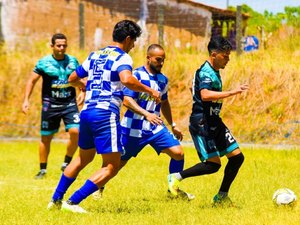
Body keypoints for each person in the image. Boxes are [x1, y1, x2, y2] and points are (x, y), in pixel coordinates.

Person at [47, 20, 160, 213]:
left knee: (83, 158)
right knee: (111, 166)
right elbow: (127, 79)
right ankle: (72, 202)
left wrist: (84, 86)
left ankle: (56, 200)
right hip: (105, 114)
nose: (133, 46)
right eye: (133, 42)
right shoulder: (123, 57)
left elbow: (72, 78)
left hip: (87, 113)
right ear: (127, 39)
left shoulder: (95, 55)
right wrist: (150, 90)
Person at [93, 44, 194, 200]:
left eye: (163, 60)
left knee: (178, 153)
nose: (161, 63)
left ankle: (173, 191)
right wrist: (146, 114)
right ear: (148, 58)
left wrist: (172, 125)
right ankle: (98, 187)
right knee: (116, 164)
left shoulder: (163, 79)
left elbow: (164, 102)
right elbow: (127, 100)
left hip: (154, 128)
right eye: (158, 59)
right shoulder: (136, 76)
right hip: (132, 129)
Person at [168, 36, 249, 206]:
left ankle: (221, 197)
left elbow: (194, 88)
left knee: (237, 158)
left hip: (214, 121)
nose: (228, 59)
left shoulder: (212, 71)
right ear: (214, 55)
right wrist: (232, 92)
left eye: (228, 55)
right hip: (202, 123)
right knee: (213, 165)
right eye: (225, 56)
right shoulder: (205, 71)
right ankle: (176, 177)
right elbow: (205, 95)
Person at [22, 33, 83, 179]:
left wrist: (83, 91)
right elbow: (32, 81)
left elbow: (81, 77)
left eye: (64, 45)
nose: (62, 48)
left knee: (76, 132)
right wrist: (26, 100)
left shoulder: (73, 61)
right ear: (52, 46)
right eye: (59, 45)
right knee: (46, 137)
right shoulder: (44, 63)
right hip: (50, 105)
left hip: (69, 103)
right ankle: (42, 169)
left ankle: (66, 163)